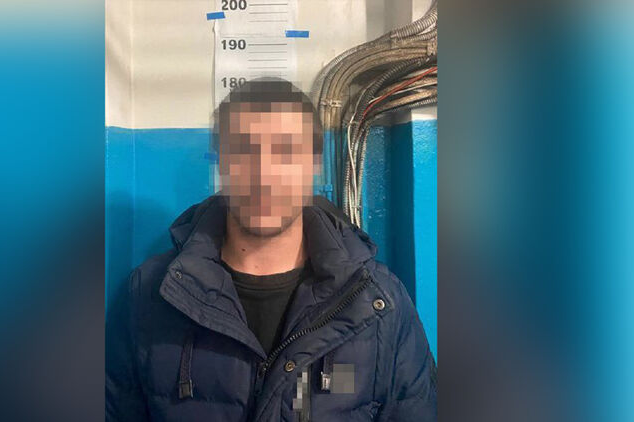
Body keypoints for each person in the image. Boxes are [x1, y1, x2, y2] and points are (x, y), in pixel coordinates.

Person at [106, 78, 437, 421]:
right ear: (221, 163)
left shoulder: (380, 302)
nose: (264, 175)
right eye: (244, 150)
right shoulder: (148, 295)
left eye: (286, 152)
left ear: (315, 165)